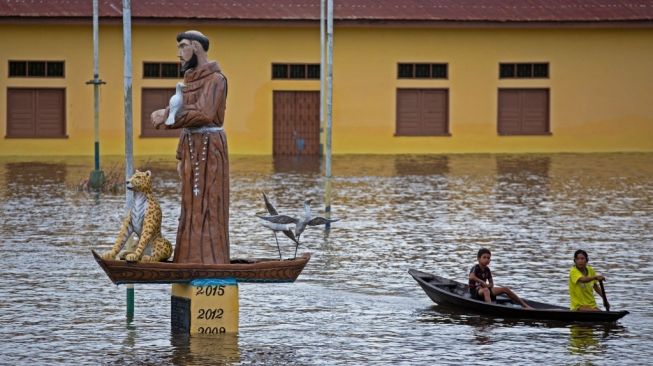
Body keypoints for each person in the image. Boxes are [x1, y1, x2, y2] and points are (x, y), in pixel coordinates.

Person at [151, 30, 229, 264]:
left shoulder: (217, 80)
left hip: (210, 150)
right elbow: (188, 126)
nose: (179, 53)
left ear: (196, 47)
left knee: (208, 204)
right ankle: (186, 258)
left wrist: (166, 115)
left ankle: (211, 261)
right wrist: (179, 156)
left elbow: (204, 113)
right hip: (191, 149)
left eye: (182, 46)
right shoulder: (189, 80)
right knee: (190, 206)